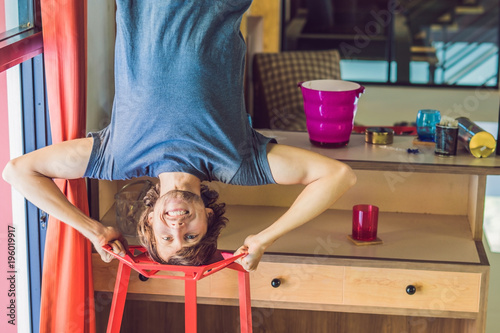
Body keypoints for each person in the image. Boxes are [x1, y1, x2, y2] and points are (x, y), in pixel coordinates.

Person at [2, 1, 356, 272]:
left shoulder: (117, 158)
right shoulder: (238, 163)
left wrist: (93, 230)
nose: (178, 226)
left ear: (149, 219)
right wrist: (265, 238)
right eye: (190, 236)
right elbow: (339, 175)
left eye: (166, 236)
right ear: (209, 218)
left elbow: (17, 171)